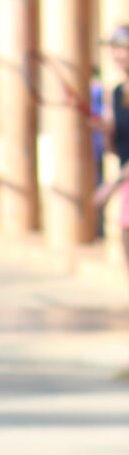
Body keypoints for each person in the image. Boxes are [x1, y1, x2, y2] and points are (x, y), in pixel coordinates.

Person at [94, 22, 129, 273]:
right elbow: (116, 150)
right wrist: (105, 131)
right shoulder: (115, 93)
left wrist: (112, 184)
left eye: (123, 47)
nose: (117, 53)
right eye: (113, 47)